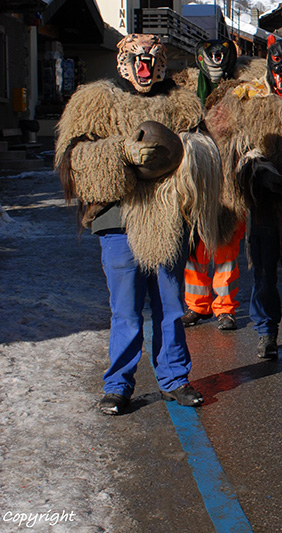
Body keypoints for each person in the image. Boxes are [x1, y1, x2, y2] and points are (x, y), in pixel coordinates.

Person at [55, 34, 221, 414]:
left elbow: (204, 147)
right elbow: (73, 157)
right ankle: (118, 385)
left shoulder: (181, 102)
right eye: (137, 60)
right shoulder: (95, 100)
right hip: (117, 218)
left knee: (170, 305)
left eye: (152, 60)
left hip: (167, 216)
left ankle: (175, 378)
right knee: (126, 309)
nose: (144, 68)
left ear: (162, 61)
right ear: (123, 62)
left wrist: (185, 152)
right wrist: (118, 152)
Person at [205, 35, 282, 360]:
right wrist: (249, 163)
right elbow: (220, 134)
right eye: (279, 68)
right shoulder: (248, 96)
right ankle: (267, 334)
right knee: (264, 272)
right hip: (264, 202)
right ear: (270, 66)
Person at [175, 39, 257, 331]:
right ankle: (196, 305)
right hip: (195, 180)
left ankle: (225, 307)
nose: (216, 58)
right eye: (210, 53)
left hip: (228, 181)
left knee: (225, 250)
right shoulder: (185, 90)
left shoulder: (243, 90)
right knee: (194, 247)